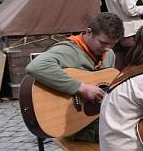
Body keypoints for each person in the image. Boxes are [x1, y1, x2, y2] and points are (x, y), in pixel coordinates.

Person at [25, 13, 124, 141]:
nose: (107, 48)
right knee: (121, 136)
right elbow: (36, 66)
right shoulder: (70, 50)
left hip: (91, 118)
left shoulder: (109, 54)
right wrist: (81, 88)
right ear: (89, 32)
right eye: (103, 42)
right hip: (72, 123)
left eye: (112, 44)